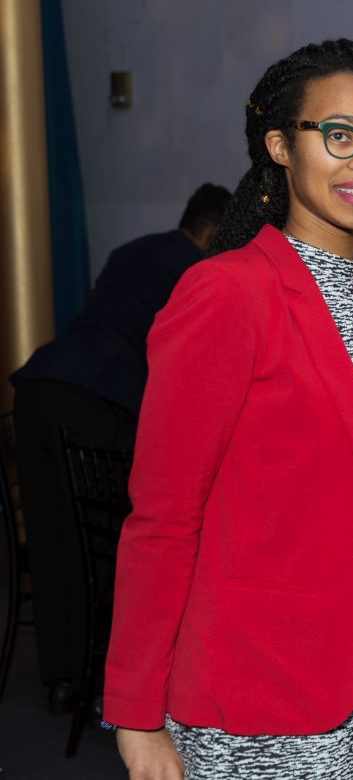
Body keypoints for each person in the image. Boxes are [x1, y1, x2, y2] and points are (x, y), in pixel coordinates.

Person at [103, 39, 353, 780]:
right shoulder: (229, 291)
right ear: (279, 147)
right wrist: (136, 716)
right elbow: (163, 516)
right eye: (340, 135)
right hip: (280, 685)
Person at [9, 182, 228, 708]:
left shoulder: (132, 251)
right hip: (97, 400)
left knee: (55, 538)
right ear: (216, 232)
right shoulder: (198, 270)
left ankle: (65, 676)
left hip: (38, 389)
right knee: (116, 540)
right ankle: (115, 679)